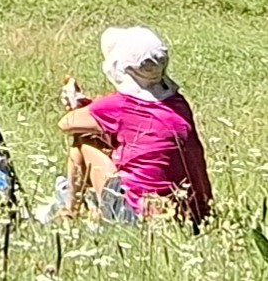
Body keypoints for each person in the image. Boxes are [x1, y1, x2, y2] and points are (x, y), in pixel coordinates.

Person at [58, 27, 212, 227]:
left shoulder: (119, 105)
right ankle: (87, 208)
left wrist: (76, 103)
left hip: (140, 217)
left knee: (83, 141)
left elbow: (67, 123)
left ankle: (70, 213)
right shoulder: (178, 103)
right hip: (196, 215)